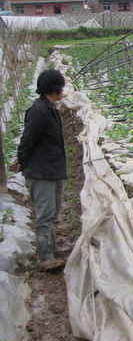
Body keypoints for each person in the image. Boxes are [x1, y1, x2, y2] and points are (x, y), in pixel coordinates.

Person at [10, 69, 67, 271]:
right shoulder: (38, 110)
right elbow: (27, 140)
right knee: (44, 214)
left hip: (52, 169)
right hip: (41, 171)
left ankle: (50, 245)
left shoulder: (50, 108)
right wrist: (22, 161)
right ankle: (46, 257)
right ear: (54, 88)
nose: (64, 89)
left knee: (53, 210)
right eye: (61, 85)